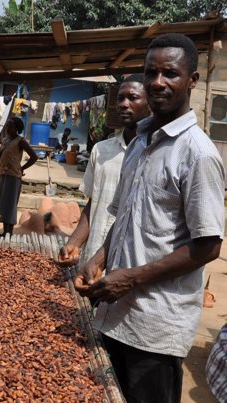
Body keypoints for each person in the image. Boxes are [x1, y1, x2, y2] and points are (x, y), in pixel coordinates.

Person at [74, 33, 225, 402]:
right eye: (151, 72)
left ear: (192, 80)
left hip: (155, 328)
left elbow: (208, 246)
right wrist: (99, 258)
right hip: (113, 314)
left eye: (170, 74)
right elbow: (123, 216)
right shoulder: (139, 142)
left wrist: (130, 278)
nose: (158, 82)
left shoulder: (197, 154)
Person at [59, 74, 151, 266]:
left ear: (150, 103)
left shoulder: (156, 153)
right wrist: (74, 243)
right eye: (120, 98)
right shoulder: (102, 150)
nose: (124, 104)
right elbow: (94, 204)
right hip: (92, 260)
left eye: (132, 98)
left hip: (129, 266)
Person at [0, 118, 38, 239]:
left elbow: (34, 157)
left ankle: (9, 232)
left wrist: (22, 168)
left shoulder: (20, 141)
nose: (8, 129)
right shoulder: (6, 140)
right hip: (3, 175)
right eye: (7, 127)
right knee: (2, 203)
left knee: (10, 204)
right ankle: (5, 231)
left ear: (17, 129)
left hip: (14, 177)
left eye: (11, 127)